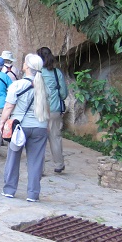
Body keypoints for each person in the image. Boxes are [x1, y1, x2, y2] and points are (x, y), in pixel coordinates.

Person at [0, 53, 51, 202]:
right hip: (40, 126)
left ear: (27, 66)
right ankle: (33, 194)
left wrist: (2, 123)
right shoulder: (44, 86)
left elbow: (9, 106)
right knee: (36, 161)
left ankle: (9, 189)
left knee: (13, 158)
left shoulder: (17, 85)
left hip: (20, 127)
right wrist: (47, 125)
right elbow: (47, 109)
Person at [37, 46, 68, 174]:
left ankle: (39, 168)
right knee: (55, 137)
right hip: (54, 109)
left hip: (39, 110)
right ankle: (59, 164)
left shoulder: (37, 73)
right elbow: (63, 93)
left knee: (39, 139)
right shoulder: (57, 73)